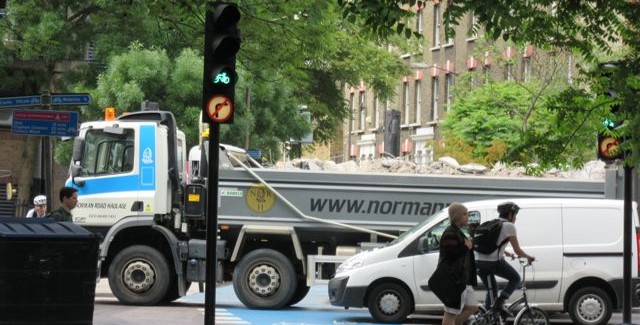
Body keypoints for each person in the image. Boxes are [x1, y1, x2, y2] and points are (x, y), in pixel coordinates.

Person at [475, 201, 535, 315]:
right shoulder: (509, 226)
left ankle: (488, 317)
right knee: (515, 279)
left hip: (478, 262)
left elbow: (492, 244)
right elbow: (518, 250)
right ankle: (500, 303)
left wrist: (506, 253)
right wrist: (530, 257)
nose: (515, 218)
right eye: (515, 215)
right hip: (492, 263)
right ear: (510, 215)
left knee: (492, 290)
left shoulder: (492, 223)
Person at [429, 202, 477, 325]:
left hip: (462, 278)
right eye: (465, 214)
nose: (467, 217)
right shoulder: (450, 232)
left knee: (471, 307)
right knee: (450, 313)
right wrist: (466, 247)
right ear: (457, 216)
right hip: (454, 279)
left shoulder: (457, 231)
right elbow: (450, 254)